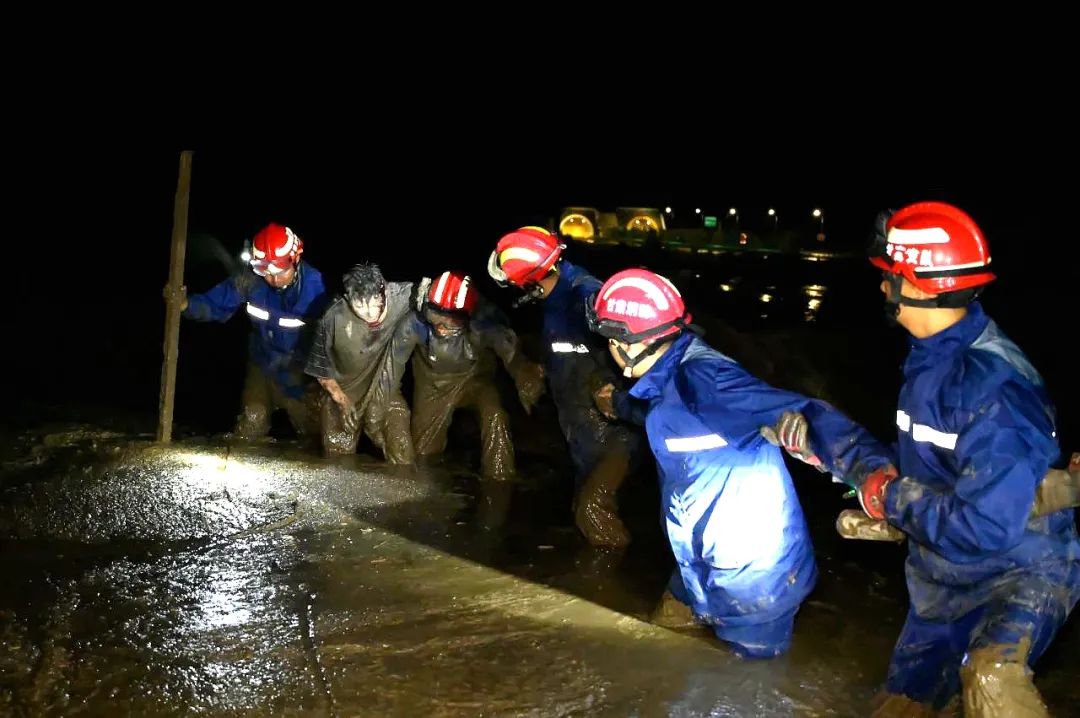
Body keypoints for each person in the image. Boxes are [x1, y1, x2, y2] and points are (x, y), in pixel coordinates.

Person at [762, 202, 1080, 716]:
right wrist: (837, 454)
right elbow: (931, 467)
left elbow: (985, 525)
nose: (881, 288)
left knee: (991, 678)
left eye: (888, 276)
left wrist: (889, 498)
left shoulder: (994, 388)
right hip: (941, 574)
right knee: (900, 709)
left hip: (1017, 569)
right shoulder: (932, 357)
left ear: (919, 285)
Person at [585, 267, 852, 658]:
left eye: (607, 339)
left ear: (623, 344)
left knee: (747, 686)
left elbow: (806, 414)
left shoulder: (706, 376)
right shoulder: (666, 376)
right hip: (695, 564)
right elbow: (661, 413)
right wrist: (617, 405)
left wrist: (873, 476)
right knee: (660, 648)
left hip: (753, 580)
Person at [488, 227, 642, 548]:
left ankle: (618, 584)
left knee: (591, 511)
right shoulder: (554, 296)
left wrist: (616, 388)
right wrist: (540, 370)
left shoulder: (585, 297)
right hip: (582, 432)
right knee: (583, 508)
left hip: (616, 432)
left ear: (530, 281)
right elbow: (567, 350)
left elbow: (633, 345)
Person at [385, 270, 545, 483]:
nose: (441, 326)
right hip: (433, 385)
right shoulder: (414, 324)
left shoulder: (485, 322)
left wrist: (524, 375)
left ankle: (500, 479)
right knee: (423, 451)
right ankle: (426, 490)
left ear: (468, 315)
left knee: (495, 415)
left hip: (475, 381)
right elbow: (391, 372)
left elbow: (510, 352)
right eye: (435, 315)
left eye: (451, 320)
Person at [176, 223, 328, 440]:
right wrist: (185, 305)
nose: (273, 279)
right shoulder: (251, 281)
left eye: (280, 271)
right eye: (266, 272)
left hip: (298, 372)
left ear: (295, 260)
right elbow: (217, 304)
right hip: (262, 364)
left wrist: (322, 379)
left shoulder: (316, 288)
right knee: (250, 424)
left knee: (311, 434)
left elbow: (333, 337)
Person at [304, 263, 414, 463]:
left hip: (385, 390)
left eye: (374, 303)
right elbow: (321, 369)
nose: (370, 313)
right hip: (344, 392)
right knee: (336, 461)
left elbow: (436, 299)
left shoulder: (404, 296)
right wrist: (343, 402)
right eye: (360, 306)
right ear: (348, 298)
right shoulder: (331, 317)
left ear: (384, 290)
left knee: (401, 450)